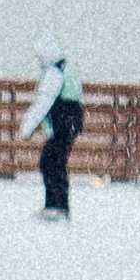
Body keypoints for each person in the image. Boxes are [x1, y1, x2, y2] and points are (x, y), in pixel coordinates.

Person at [21, 35, 86, 220]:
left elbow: (44, 102)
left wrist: (27, 126)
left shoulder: (54, 72)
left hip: (62, 122)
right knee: (55, 162)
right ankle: (59, 205)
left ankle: (55, 206)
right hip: (70, 122)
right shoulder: (66, 68)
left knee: (50, 162)